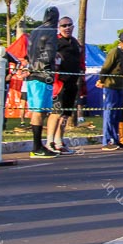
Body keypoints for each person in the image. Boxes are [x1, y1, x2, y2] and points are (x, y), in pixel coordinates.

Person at [26, 7, 60, 158]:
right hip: (43, 74)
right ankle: (37, 147)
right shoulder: (51, 31)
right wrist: (54, 61)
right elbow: (49, 54)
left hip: (32, 74)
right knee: (41, 111)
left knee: (36, 111)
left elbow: (29, 52)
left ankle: (37, 145)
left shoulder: (34, 31)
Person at [48, 16, 84, 154]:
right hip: (59, 82)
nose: (67, 27)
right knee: (56, 112)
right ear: (59, 27)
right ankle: (49, 142)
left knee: (65, 114)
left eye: (69, 25)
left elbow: (81, 61)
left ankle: (59, 141)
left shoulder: (76, 43)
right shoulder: (55, 42)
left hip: (72, 81)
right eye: (63, 25)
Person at [98, 32, 123, 150]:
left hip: (120, 86)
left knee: (117, 114)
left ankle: (115, 139)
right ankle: (107, 140)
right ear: (121, 41)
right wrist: (101, 80)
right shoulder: (114, 52)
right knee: (109, 113)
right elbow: (106, 67)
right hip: (111, 86)